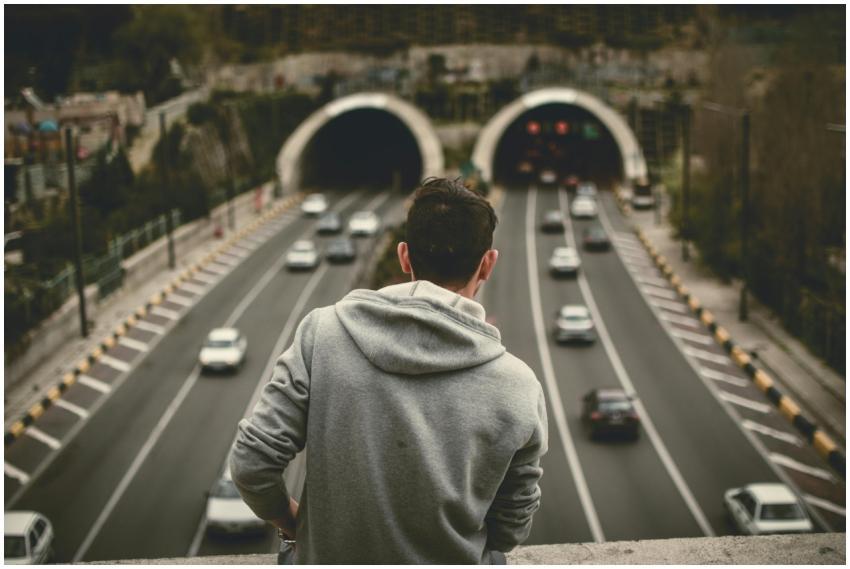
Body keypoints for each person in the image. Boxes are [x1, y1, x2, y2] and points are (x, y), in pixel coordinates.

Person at [230, 177, 548, 564]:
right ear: (487, 264)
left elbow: (251, 464)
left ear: (404, 256)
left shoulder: (322, 333)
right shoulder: (518, 385)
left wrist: (292, 522)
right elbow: (512, 526)